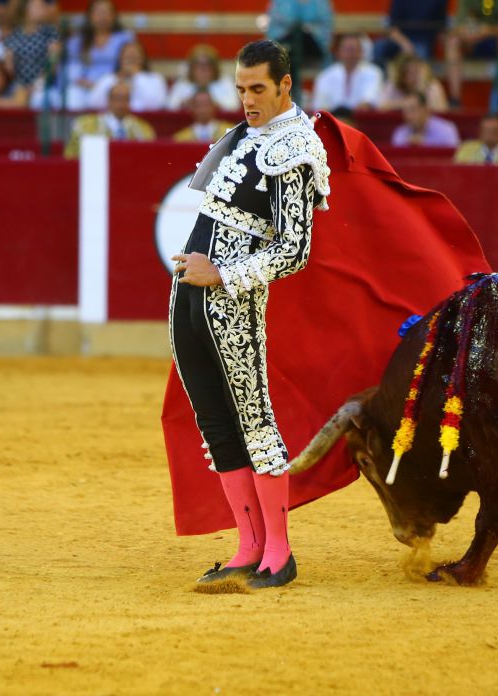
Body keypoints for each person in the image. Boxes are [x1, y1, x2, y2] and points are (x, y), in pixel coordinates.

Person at [169, 39, 332, 590]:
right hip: (190, 294)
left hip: (233, 300)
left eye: (257, 88)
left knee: (255, 418)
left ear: (285, 85)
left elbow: (295, 248)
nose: (246, 99)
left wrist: (223, 274)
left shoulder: (297, 147)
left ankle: (279, 553)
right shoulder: (242, 135)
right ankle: (247, 546)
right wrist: (197, 273)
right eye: (240, 89)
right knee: (215, 421)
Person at [61, 0, 134, 110]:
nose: (102, 16)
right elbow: (71, 70)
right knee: (72, 95)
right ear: (89, 16)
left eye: (106, 12)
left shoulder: (125, 38)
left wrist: (102, 86)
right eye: (98, 12)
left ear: (114, 16)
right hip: (83, 87)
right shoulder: (77, 41)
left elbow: (130, 66)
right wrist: (86, 83)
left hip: (113, 87)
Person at [446, 0, 498, 108]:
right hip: (473, 41)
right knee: (453, 41)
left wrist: (487, 30)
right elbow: (458, 26)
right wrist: (467, 33)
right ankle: (455, 100)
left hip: (496, 42)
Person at [63, 79, 155, 157]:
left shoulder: (143, 129)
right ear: (108, 100)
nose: (121, 103)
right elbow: (72, 156)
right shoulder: (85, 125)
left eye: (125, 99)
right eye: (117, 98)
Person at [310, 32, 383, 111]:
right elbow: (320, 106)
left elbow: (369, 102)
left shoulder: (373, 73)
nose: (350, 54)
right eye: (347, 50)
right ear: (338, 52)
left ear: (361, 52)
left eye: (353, 49)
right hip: (333, 120)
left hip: (360, 120)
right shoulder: (325, 76)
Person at [88, 40, 167, 111]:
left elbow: (157, 104)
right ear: (120, 59)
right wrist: (116, 80)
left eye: (135, 57)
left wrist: (137, 76)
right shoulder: (108, 78)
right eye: (127, 57)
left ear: (143, 59)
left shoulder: (155, 78)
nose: (130, 61)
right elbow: (94, 102)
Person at [2, 0, 58, 92]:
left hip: (45, 87)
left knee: (37, 99)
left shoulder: (50, 33)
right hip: (20, 86)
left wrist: (39, 84)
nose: (43, 7)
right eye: (38, 6)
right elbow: (9, 67)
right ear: (25, 9)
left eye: (42, 5)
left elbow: (54, 60)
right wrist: (22, 86)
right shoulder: (13, 37)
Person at [373, 0, 447, 67]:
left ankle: (421, 81)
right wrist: (405, 43)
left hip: (423, 42)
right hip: (399, 40)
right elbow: (392, 28)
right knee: (379, 46)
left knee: (421, 51)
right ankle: (383, 79)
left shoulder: (439, 1)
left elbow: (441, 29)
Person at [166, 43, 238, 111]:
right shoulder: (182, 83)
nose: (203, 70)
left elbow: (234, 107)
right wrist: (183, 104)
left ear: (215, 68)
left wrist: (214, 105)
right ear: (191, 68)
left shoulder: (225, 82)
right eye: (198, 65)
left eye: (207, 65)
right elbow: (169, 107)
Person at [377, 52, 447, 112]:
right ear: (401, 74)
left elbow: (441, 110)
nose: (414, 76)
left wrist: (421, 88)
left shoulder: (432, 85)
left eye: (417, 71)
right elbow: (381, 106)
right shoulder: (393, 84)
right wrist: (404, 103)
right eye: (409, 72)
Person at [391, 92, 460, 146]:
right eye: (405, 111)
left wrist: (424, 142)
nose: (408, 116)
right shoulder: (400, 133)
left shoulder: (447, 130)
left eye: (412, 110)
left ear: (425, 109)